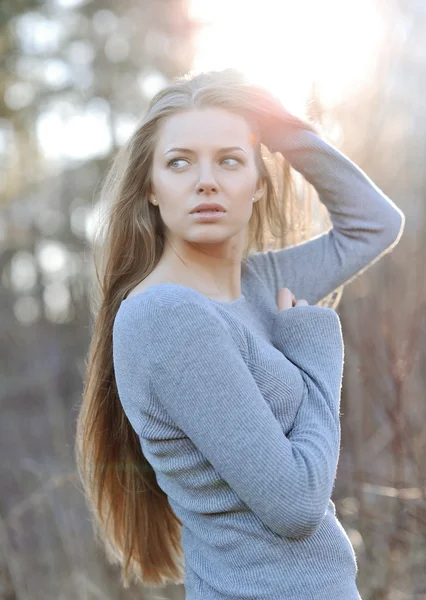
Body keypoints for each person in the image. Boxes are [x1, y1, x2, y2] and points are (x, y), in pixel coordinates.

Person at [75, 68, 405, 599]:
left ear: (258, 183)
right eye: (179, 162)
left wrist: (283, 130)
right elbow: (295, 505)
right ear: (152, 189)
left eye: (229, 160)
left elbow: (375, 224)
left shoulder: (260, 284)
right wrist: (317, 353)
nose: (206, 180)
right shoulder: (166, 317)